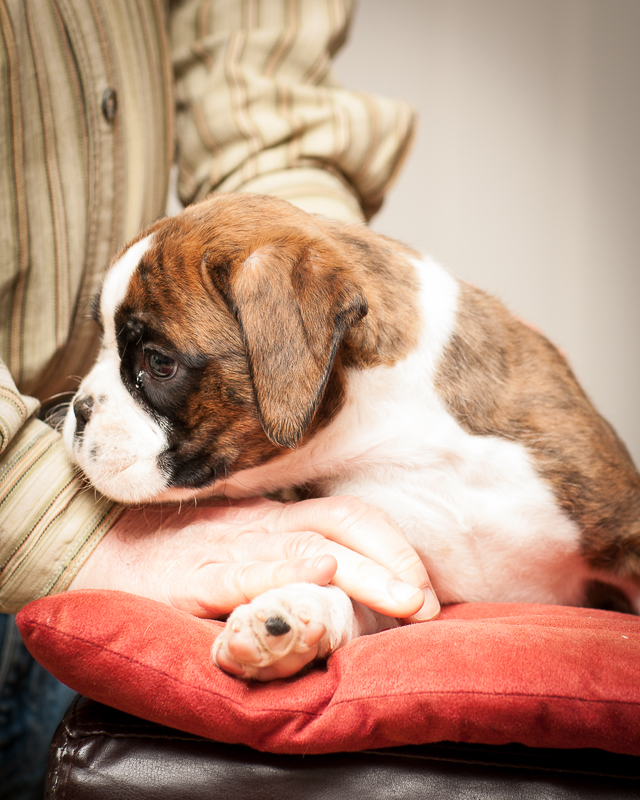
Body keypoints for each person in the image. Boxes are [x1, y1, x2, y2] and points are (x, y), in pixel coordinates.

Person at [0, 2, 440, 797]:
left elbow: (260, 107)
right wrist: (40, 512)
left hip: (142, 542)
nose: (87, 403)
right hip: (82, 537)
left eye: (155, 363)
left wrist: (299, 311)